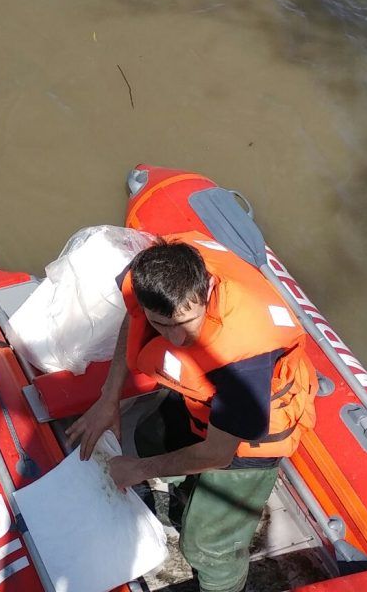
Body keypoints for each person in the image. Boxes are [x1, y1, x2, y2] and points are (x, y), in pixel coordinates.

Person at [66, 236, 318, 592]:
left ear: (208, 288)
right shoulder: (156, 276)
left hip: (250, 439)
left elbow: (218, 453)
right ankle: (188, 495)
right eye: (162, 324)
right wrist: (109, 399)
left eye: (186, 321)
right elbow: (136, 316)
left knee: (205, 546)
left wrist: (137, 470)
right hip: (201, 399)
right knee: (148, 438)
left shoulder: (242, 362)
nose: (176, 338)